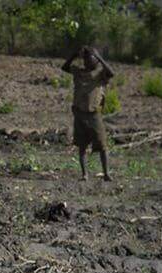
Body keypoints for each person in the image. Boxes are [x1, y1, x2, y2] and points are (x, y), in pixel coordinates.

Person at [62, 45, 115, 181]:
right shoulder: (78, 72)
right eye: (85, 59)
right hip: (80, 113)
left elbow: (112, 73)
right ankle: (84, 174)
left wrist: (99, 57)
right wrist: (74, 55)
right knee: (82, 145)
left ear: (96, 60)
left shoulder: (100, 74)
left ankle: (106, 173)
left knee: (102, 145)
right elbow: (64, 67)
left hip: (94, 114)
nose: (87, 61)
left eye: (90, 58)